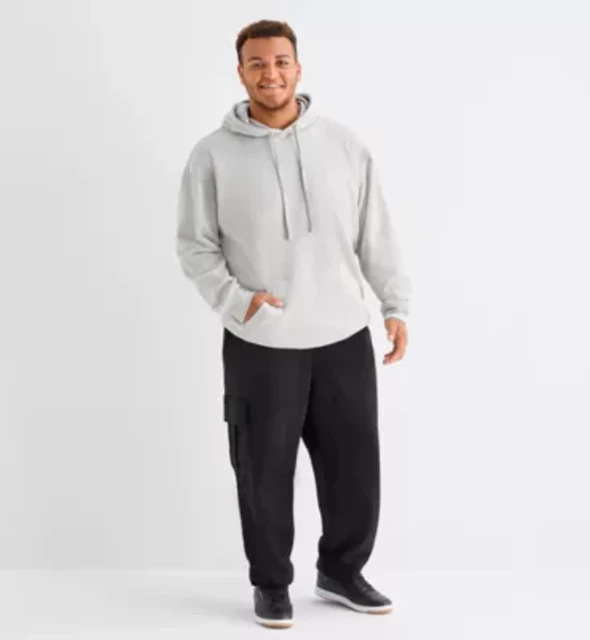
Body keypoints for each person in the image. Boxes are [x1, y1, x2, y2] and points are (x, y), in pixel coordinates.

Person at [176, 19, 411, 629]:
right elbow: (195, 246)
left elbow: (376, 233)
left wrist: (394, 306)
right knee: (262, 470)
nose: (270, 73)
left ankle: (341, 572)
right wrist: (238, 302)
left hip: (342, 334)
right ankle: (271, 583)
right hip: (261, 339)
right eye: (257, 64)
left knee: (354, 467)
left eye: (281, 61)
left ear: (298, 68)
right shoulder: (212, 155)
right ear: (241, 73)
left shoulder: (344, 145)